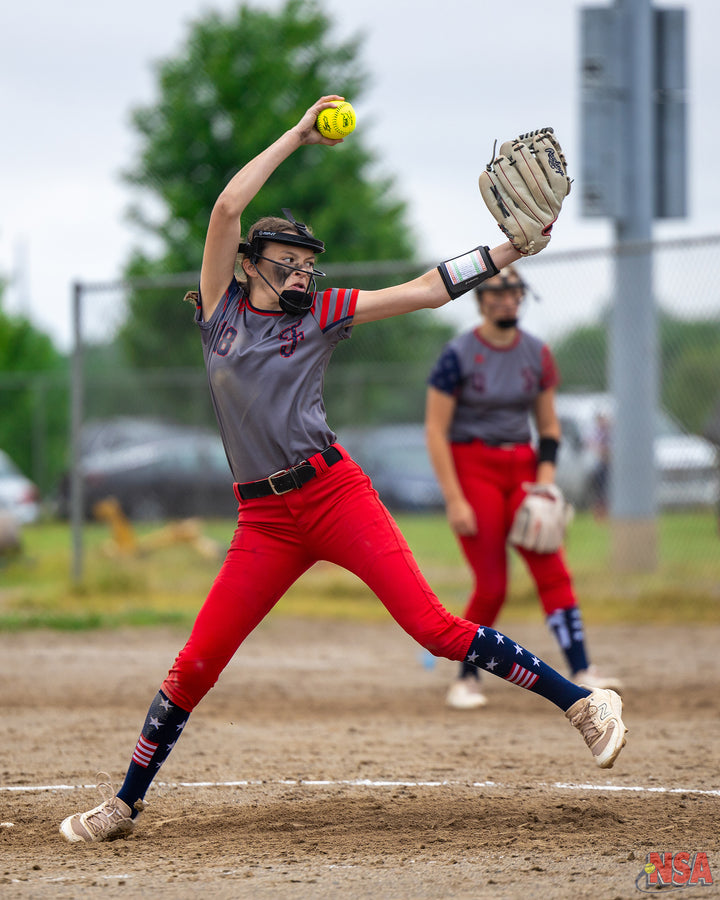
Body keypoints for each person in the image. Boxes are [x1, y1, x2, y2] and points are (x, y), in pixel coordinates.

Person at [59, 95, 627, 844]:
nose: (301, 274)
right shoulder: (222, 313)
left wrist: (510, 252)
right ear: (250, 267)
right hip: (263, 520)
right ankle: (125, 804)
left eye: (307, 265)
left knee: (432, 627)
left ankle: (584, 704)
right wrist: (297, 132)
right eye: (287, 263)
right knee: (196, 663)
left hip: (332, 493)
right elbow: (228, 206)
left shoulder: (324, 314)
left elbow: (425, 289)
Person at [425, 267, 622, 711]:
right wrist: (455, 498)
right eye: (497, 290)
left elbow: (548, 426)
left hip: (522, 464)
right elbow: (436, 431)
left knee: (551, 567)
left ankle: (582, 669)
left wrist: (546, 485)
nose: (507, 299)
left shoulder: (536, 352)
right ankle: (467, 676)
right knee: (492, 583)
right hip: (472, 464)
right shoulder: (458, 353)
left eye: (514, 291)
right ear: (481, 299)